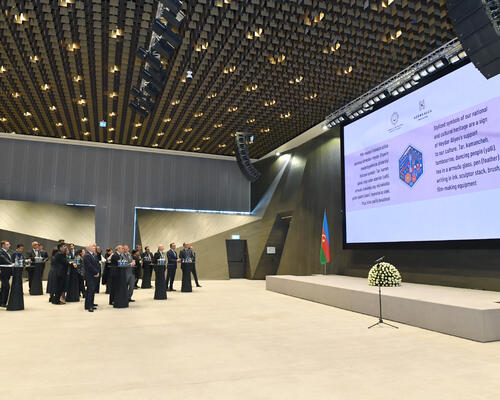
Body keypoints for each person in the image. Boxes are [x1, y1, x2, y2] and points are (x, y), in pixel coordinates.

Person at [83, 243, 100, 312]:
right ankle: (89, 306)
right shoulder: (87, 255)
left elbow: (97, 263)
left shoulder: (93, 255)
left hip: (94, 275)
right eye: (93, 247)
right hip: (90, 275)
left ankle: (90, 304)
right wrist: (96, 272)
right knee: (90, 291)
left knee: (92, 291)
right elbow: (89, 266)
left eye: (94, 247)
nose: (94, 248)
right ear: (89, 248)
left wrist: (97, 272)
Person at [0, 240, 12, 307]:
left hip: (7, 272)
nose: (9, 245)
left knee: (4, 287)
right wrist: (10, 263)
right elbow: (3, 259)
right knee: (6, 287)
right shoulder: (1, 252)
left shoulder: (8, 252)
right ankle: (3, 303)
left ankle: (2, 302)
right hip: (3, 272)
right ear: (3, 245)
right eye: (7, 244)